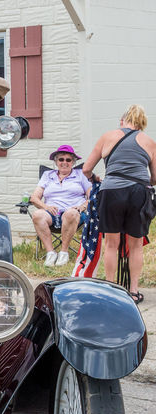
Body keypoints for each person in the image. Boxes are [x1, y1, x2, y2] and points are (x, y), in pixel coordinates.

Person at [83, 105, 156, 303]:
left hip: (112, 190)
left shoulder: (108, 136)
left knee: (111, 244)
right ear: (141, 123)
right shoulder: (149, 142)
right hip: (139, 193)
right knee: (136, 245)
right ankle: (133, 291)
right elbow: (155, 178)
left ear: (124, 120)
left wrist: (95, 178)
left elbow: (86, 168)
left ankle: (110, 289)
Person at [29, 145, 91, 266]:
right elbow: (34, 198)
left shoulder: (81, 175)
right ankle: (51, 253)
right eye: (61, 159)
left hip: (74, 214)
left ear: (73, 162)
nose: (64, 162)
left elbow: (93, 196)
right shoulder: (48, 175)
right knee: (37, 215)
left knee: (70, 213)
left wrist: (82, 207)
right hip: (51, 213)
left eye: (68, 160)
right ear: (56, 161)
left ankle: (63, 253)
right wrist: (46, 207)